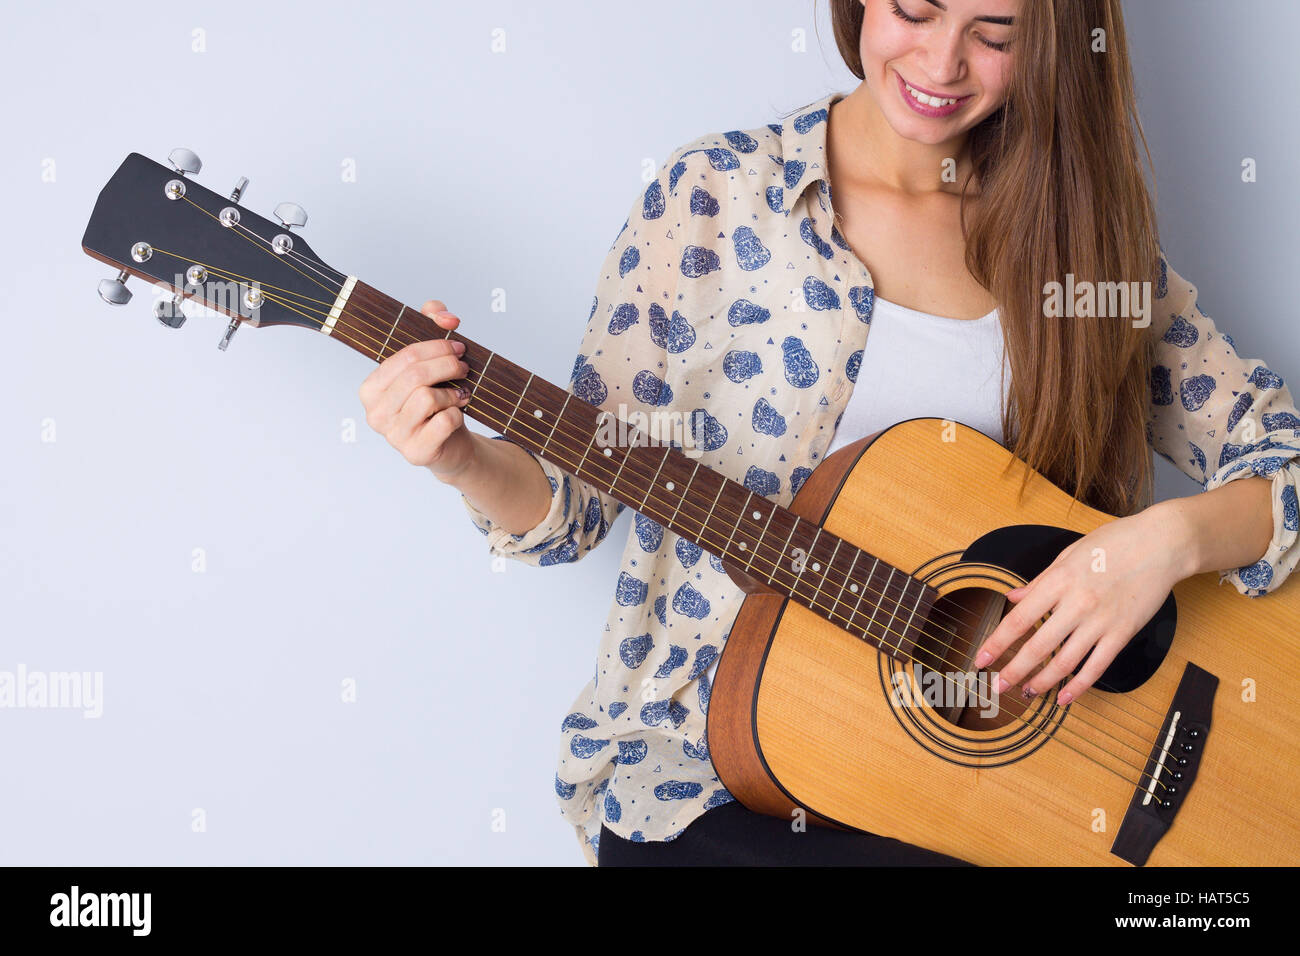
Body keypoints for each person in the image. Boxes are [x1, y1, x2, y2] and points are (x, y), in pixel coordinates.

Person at [357, 0, 1300, 866]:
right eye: (915, 10)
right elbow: (576, 507)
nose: (942, 60)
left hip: (1000, 793)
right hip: (713, 782)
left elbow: (1282, 453)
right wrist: (463, 457)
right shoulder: (713, 200)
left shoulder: (1081, 248)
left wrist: (1163, 543)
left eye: (997, 34)